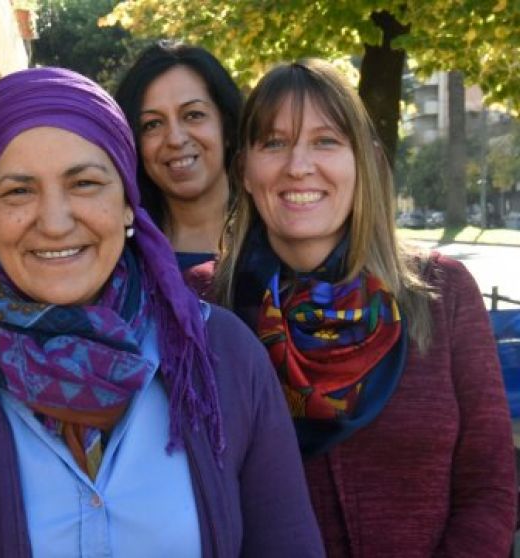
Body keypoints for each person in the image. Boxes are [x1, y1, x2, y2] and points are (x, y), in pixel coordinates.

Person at [0, 67, 323, 557]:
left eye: (84, 183)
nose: (55, 221)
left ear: (129, 203)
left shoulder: (222, 357)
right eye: (18, 191)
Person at [210, 59, 516, 556]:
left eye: (326, 141)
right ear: (244, 169)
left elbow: (490, 485)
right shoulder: (203, 305)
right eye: (273, 142)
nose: (298, 165)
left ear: (367, 160)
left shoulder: (443, 293)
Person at [114, 41, 242, 270]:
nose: (175, 139)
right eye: (152, 124)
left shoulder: (279, 239)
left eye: (193, 115)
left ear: (228, 127)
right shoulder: (120, 259)